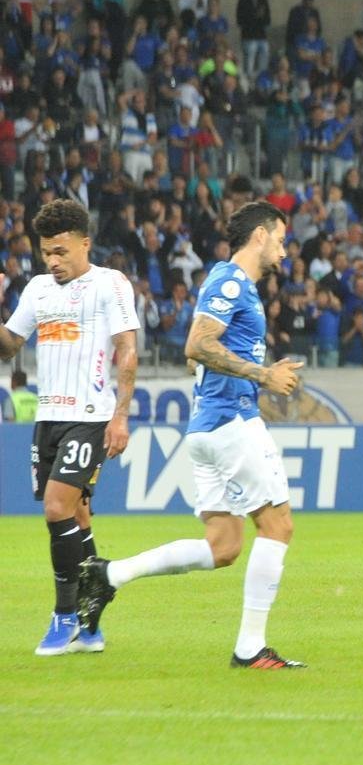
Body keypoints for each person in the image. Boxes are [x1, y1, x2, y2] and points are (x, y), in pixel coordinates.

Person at [77, 202, 308, 669]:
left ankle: (109, 575)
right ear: (259, 236)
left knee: (223, 546)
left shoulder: (226, 283)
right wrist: (263, 375)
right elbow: (197, 344)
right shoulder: (229, 281)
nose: (284, 252)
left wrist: (220, 364)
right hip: (231, 422)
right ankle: (250, 649)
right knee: (278, 526)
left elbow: (199, 350)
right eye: (280, 240)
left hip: (207, 428)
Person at [0, 199, 140, 656]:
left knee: (56, 509)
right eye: (46, 253)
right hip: (48, 420)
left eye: (61, 251)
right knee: (77, 516)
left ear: (85, 243)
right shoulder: (38, 290)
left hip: (91, 416)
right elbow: (9, 346)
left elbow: (126, 348)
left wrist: (120, 415)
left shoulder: (109, 284)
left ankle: (64, 616)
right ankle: (90, 620)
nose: (53, 262)